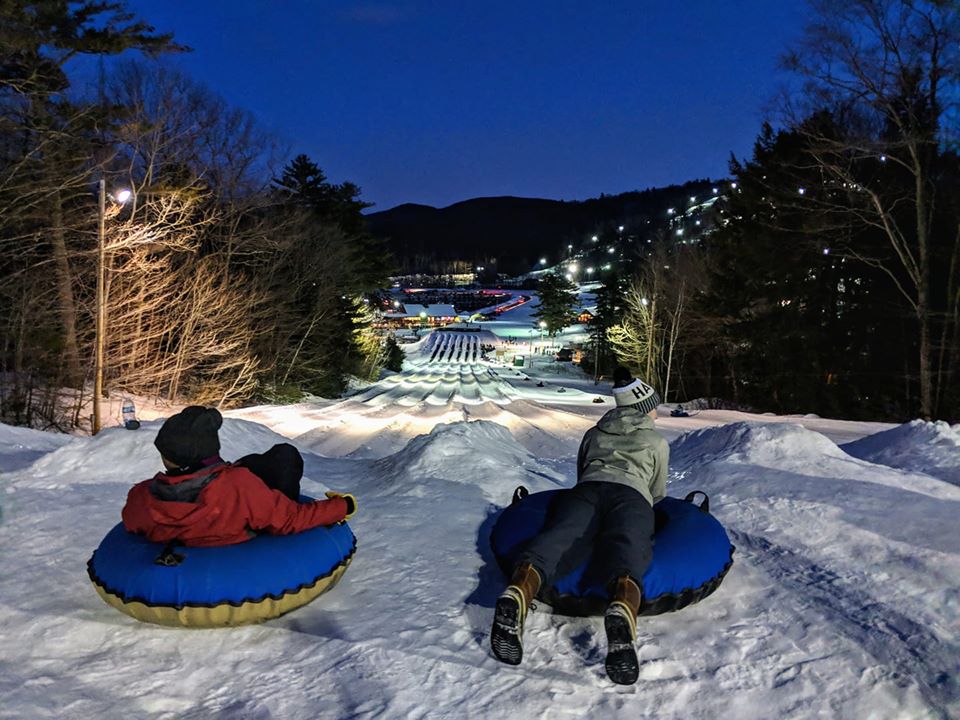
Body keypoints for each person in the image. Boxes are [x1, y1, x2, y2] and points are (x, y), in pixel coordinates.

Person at [490, 367, 668, 685]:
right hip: (631, 496)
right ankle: (622, 606)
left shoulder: (594, 433)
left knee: (560, 535)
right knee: (630, 542)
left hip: (586, 491)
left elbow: (581, 470)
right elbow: (656, 492)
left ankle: (520, 589)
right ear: (643, 409)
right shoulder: (655, 441)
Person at [122, 406, 356, 547]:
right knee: (284, 456)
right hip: (241, 521)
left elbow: (133, 523)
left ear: (165, 456)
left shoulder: (141, 497)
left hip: (214, 501)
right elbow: (290, 519)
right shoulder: (237, 488)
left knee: (252, 463)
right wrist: (341, 506)